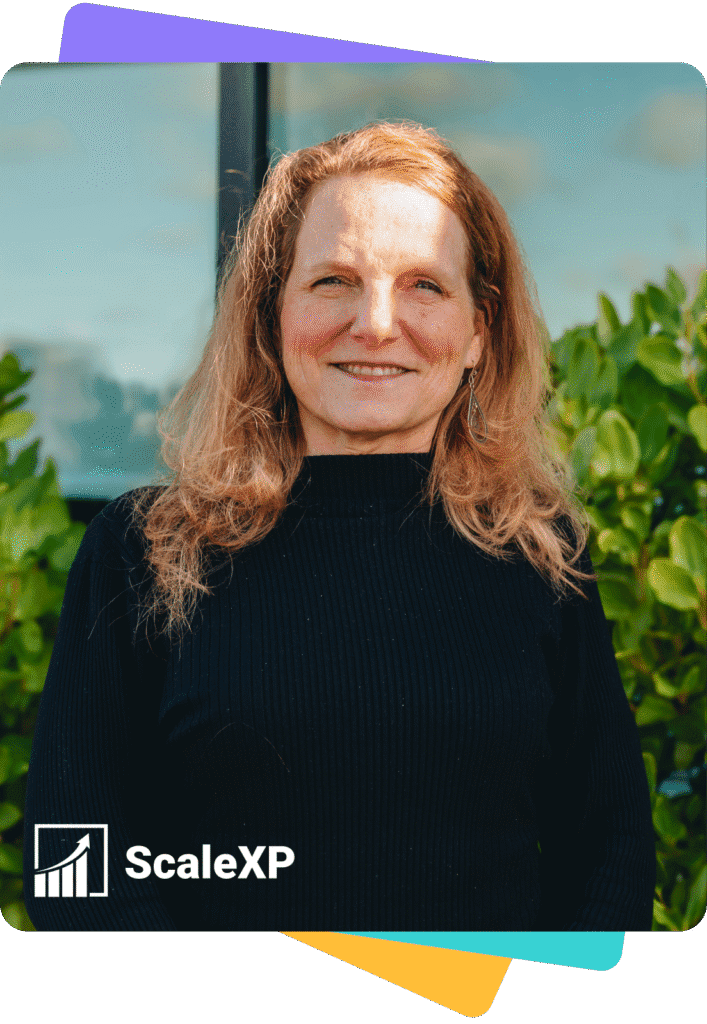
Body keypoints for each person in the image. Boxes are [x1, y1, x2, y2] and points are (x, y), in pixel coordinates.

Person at [24, 121, 655, 932]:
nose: (376, 323)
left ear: (477, 331)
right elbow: (74, 864)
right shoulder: (144, 550)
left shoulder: (540, 554)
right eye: (333, 281)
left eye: (424, 285)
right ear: (271, 313)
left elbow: (608, 850)